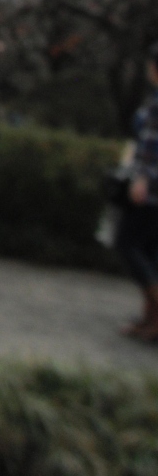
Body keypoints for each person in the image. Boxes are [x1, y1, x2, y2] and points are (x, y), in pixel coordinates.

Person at [115, 47, 158, 341]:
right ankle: (151, 321)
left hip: (151, 191)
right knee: (152, 253)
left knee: (128, 243)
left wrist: (141, 179)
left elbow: (150, 148)